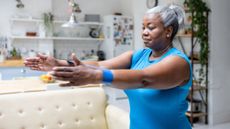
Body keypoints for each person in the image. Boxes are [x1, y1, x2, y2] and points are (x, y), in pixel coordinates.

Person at [25, 4, 192, 129]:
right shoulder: (138, 56)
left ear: (168, 31)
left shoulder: (178, 62)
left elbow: (144, 79)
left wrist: (98, 77)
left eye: (151, 27)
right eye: (143, 27)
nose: (144, 32)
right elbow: (98, 64)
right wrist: (58, 63)